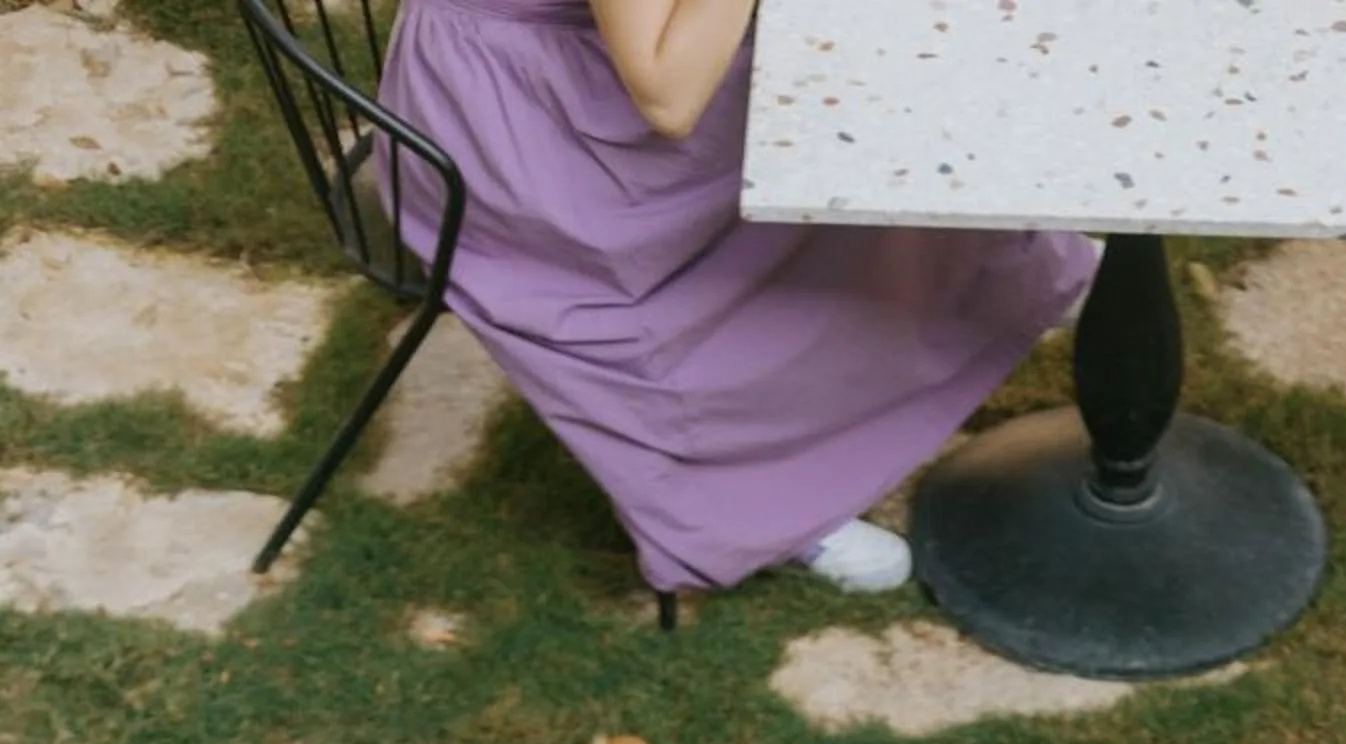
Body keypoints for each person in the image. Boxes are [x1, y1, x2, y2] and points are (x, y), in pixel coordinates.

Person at [378, 0, 1097, 599]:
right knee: (843, 120)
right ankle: (762, 498)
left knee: (882, 69)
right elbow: (666, 95)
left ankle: (995, 261)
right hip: (534, 134)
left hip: (571, 57)